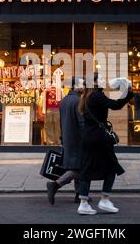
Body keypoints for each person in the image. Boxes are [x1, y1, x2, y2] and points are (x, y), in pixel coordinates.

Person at [76, 73, 134, 215]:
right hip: (99, 138)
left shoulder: (86, 96)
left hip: (87, 137)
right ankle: (104, 199)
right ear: (94, 83)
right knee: (111, 167)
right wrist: (128, 93)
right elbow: (115, 105)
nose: (104, 81)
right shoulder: (97, 95)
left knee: (87, 169)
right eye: (101, 79)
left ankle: (83, 204)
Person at [46, 76, 85, 205]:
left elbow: (61, 121)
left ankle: (79, 195)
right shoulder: (79, 101)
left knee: (77, 166)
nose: (84, 86)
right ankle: (55, 185)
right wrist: (87, 136)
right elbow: (81, 122)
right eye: (81, 84)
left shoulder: (64, 100)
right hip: (78, 139)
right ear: (74, 86)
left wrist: (63, 137)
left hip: (68, 138)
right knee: (80, 168)